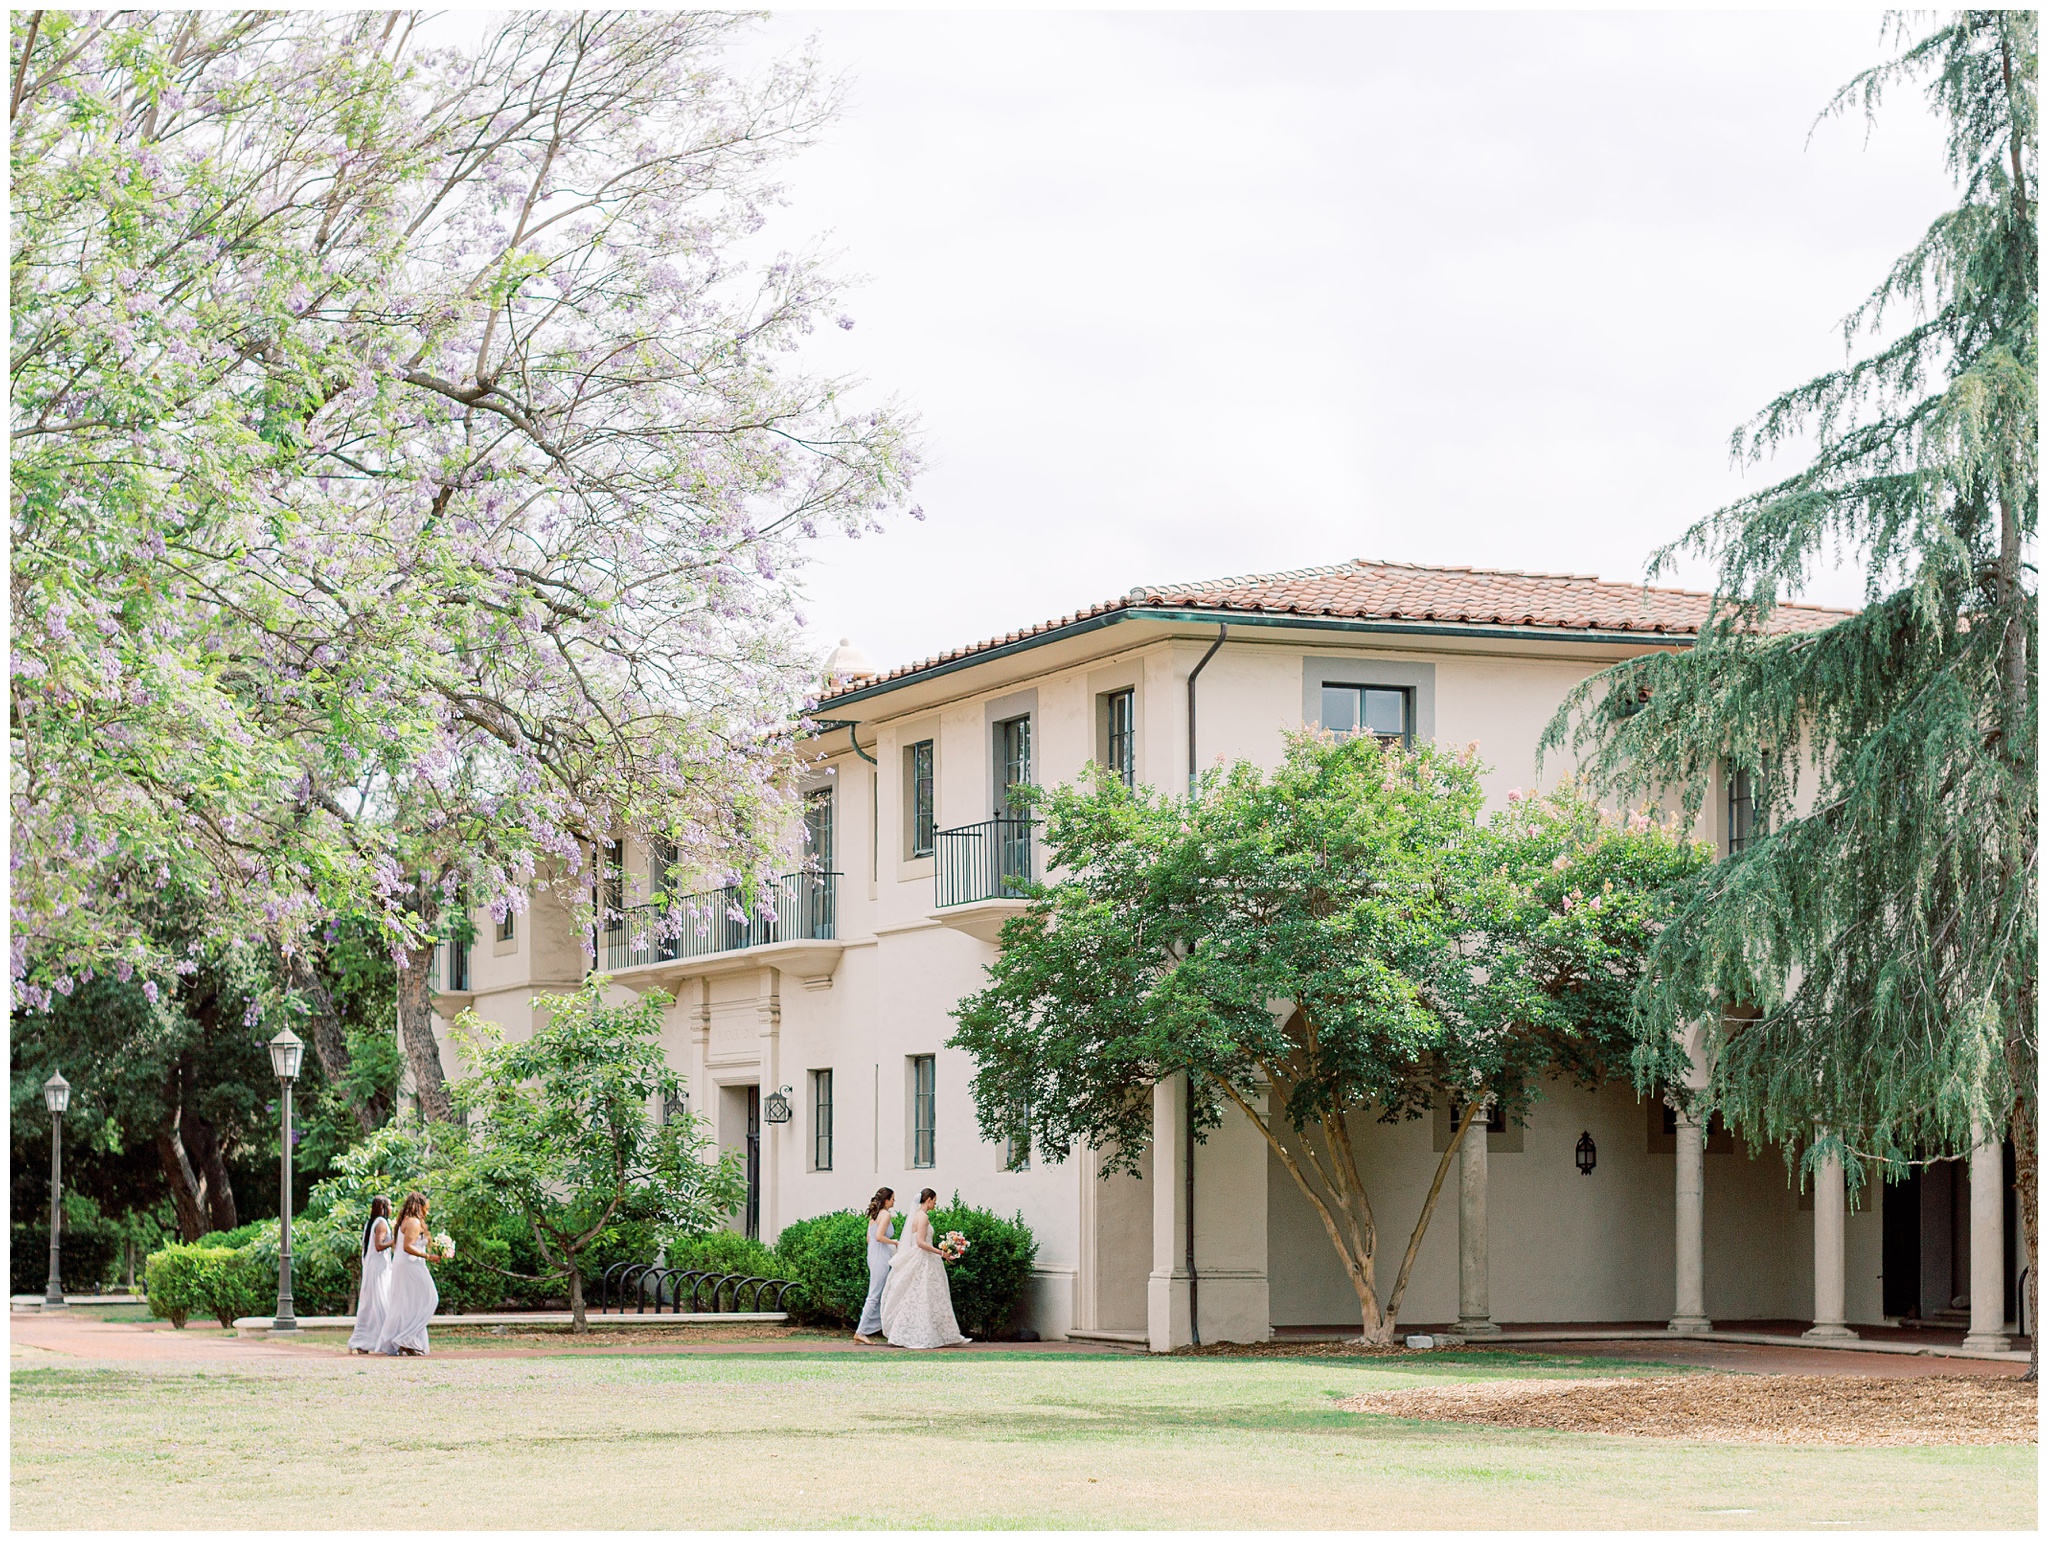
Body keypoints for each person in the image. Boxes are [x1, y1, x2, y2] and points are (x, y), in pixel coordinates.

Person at [877, 1188, 969, 1349]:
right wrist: (942, 1253)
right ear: (928, 1200)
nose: (935, 1203)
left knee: (921, 1296)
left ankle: (927, 1333)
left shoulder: (916, 1216)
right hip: (923, 1260)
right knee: (924, 1296)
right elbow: (920, 1242)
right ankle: (925, 1334)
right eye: (934, 1200)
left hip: (920, 1258)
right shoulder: (923, 1217)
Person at [377, 1191, 440, 1356]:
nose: (427, 1212)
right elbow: (408, 1246)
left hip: (405, 1264)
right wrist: (428, 1256)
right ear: (419, 1206)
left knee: (409, 1303)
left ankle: (408, 1341)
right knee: (430, 1298)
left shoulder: (407, 1220)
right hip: (410, 1265)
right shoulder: (413, 1222)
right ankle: (406, 1338)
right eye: (426, 1208)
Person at [346, 1195, 395, 1355]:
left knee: (370, 1304)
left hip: (373, 1266)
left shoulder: (370, 1223)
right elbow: (379, 1245)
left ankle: (364, 1342)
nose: (391, 1208)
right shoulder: (381, 1223)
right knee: (380, 1302)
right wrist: (394, 1242)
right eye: (389, 1205)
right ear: (382, 1208)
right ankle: (379, 1341)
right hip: (378, 1268)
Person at [853, 1188, 898, 1344]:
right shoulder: (885, 1215)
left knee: (884, 1292)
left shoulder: (874, 1217)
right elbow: (878, 1237)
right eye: (892, 1198)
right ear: (886, 1200)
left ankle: (885, 1326)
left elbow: (869, 1239)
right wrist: (895, 1242)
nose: (894, 1201)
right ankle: (861, 1331)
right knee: (874, 1294)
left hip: (874, 1255)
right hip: (880, 1257)